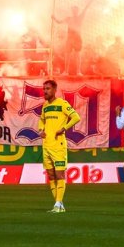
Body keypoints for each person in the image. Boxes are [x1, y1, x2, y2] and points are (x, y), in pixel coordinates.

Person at [38, 80, 81, 213]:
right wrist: (41, 130)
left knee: (59, 174)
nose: (45, 91)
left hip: (58, 145)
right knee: (51, 176)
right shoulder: (45, 106)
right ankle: (58, 204)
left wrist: (64, 128)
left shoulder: (62, 104)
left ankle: (58, 204)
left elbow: (76, 117)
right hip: (46, 145)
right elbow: (42, 120)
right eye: (44, 89)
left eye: (48, 89)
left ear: (54, 90)